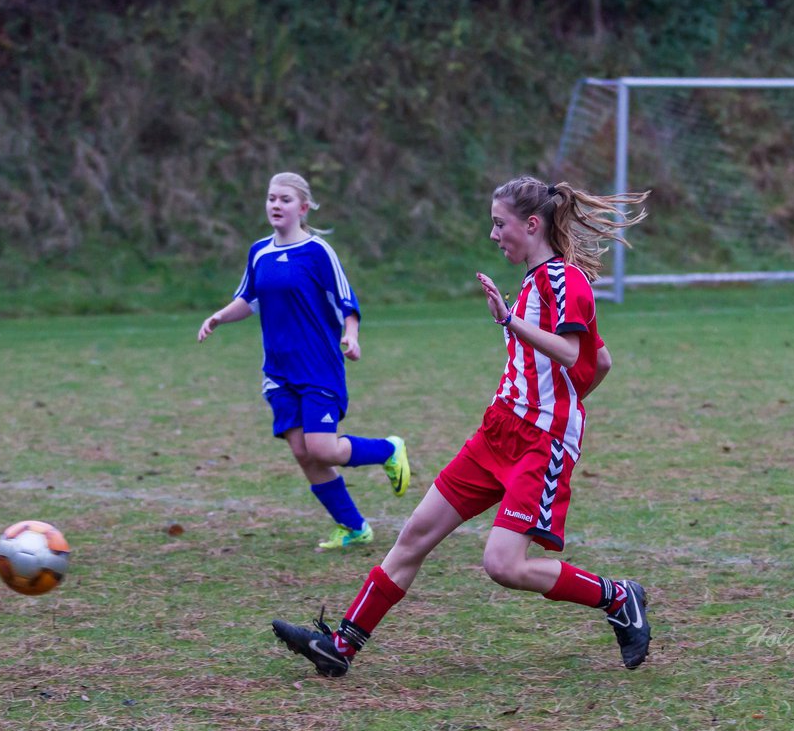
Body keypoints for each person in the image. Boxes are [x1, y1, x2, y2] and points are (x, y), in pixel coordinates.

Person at [271, 175, 652, 676]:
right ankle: (340, 647)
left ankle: (618, 598)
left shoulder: (566, 281)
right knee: (414, 536)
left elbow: (578, 353)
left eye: (500, 224)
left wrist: (549, 394)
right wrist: (550, 385)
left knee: (503, 565)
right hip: (497, 432)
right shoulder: (532, 284)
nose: (493, 235)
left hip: (541, 443)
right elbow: (599, 362)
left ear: (531, 225)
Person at [198, 172, 410, 549]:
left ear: (303, 207)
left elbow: (347, 301)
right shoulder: (259, 252)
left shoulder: (318, 252)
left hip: (318, 367)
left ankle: (388, 449)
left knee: (323, 449)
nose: (275, 205)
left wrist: (351, 335)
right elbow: (248, 299)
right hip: (278, 371)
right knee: (301, 451)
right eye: (271, 198)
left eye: (284, 199)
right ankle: (353, 527)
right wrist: (218, 316)